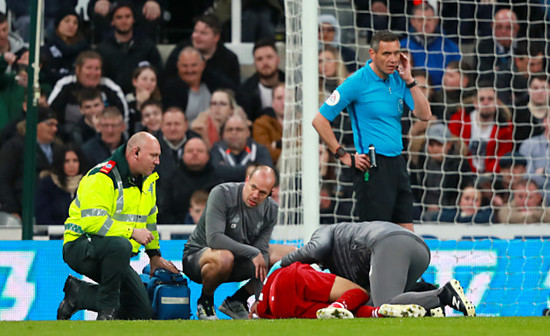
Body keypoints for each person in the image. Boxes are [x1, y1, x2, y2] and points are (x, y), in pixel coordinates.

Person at [312, 30, 432, 231]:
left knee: (406, 236)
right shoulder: (356, 81)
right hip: (372, 167)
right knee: (377, 236)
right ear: (372, 54)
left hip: (398, 164)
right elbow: (319, 120)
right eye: (386, 54)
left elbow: (425, 115)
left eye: (396, 53)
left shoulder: (399, 79)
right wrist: (343, 156)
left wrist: (409, 79)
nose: (393, 59)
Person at [57, 132, 179, 320]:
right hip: (81, 247)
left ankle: (78, 294)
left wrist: (154, 255)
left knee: (141, 312)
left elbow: (150, 219)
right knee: (121, 244)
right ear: (135, 153)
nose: (158, 162)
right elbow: (92, 223)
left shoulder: (148, 179)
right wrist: (131, 232)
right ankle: (108, 312)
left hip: (115, 253)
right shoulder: (102, 177)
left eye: (159, 156)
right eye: (153, 155)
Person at [281, 221, 476, 317]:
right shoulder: (344, 264)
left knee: (384, 303)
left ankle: (444, 295)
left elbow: (315, 248)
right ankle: (429, 302)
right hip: (419, 250)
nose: (319, 265)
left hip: (388, 243)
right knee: (383, 302)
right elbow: (365, 297)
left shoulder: (326, 232)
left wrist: (281, 265)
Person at [182, 166, 282, 320]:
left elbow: (261, 252)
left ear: (270, 193)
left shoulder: (271, 209)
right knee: (224, 257)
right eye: (253, 187)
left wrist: (259, 299)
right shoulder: (222, 193)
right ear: (247, 180)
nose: (255, 195)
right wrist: (252, 252)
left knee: (287, 254)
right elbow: (214, 239)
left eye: (262, 192)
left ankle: (238, 300)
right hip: (198, 257)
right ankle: (205, 302)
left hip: (238, 261)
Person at [250, 261, 426, 319]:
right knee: (360, 293)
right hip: (291, 280)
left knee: (349, 313)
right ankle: (341, 306)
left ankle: (378, 312)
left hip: (278, 309)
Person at [0, 107, 62, 219]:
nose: (55, 129)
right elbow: (3, 179)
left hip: (49, 213)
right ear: (35, 124)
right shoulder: (15, 146)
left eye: (56, 125)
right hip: (22, 212)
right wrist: (11, 209)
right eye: (50, 124)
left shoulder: (58, 149)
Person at [47, 50, 128, 130]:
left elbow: (124, 118)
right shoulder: (65, 85)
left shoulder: (110, 87)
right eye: (89, 68)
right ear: (78, 70)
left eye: (97, 69)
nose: (93, 73)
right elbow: (50, 113)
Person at [409, 122, 473, 221]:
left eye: (439, 144)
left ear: (448, 145)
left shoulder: (460, 164)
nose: (435, 149)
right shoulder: (417, 161)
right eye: (431, 144)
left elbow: (464, 190)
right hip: (422, 209)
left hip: (451, 211)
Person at [95, 2, 162, 94]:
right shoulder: (102, 49)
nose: (124, 21)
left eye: (127, 16)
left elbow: (158, 74)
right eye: (119, 17)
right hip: (111, 98)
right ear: (112, 21)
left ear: (133, 19)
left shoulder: (147, 47)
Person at [448, 83, 513, 174]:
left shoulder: (506, 127)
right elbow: (452, 150)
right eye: (481, 99)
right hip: (462, 172)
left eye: (490, 99)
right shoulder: (458, 120)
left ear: (497, 103)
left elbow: (502, 156)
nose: (486, 103)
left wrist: (488, 174)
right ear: (475, 103)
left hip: (492, 176)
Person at [162, 46, 235, 124]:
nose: (189, 70)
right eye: (185, 66)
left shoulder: (216, 83)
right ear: (178, 66)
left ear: (202, 65)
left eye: (194, 65)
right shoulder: (171, 89)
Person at [158, 137, 222, 224]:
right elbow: (164, 212)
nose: (195, 153)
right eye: (190, 151)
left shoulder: (219, 181)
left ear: (208, 156)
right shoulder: (171, 180)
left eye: (199, 151)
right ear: (183, 156)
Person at [164, 14, 240, 86]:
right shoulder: (181, 50)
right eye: (195, 31)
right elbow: (167, 79)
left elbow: (233, 89)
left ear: (216, 37)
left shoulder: (229, 59)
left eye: (203, 33)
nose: (197, 36)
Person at [399, 2, 461, 87]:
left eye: (429, 19)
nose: (425, 24)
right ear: (412, 21)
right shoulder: (402, 47)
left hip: (443, 96)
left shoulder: (450, 47)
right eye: (420, 20)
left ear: (436, 21)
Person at [210, 113, 273, 182]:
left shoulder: (260, 149)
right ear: (223, 133)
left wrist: (227, 171)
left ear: (248, 132)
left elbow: (266, 173)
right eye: (229, 129)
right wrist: (249, 170)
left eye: (239, 129)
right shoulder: (217, 149)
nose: (234, 133)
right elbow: (217, 171)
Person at [35, 145, 86, 225]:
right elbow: (42, 217)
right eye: (66, 161)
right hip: (54, 235)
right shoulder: (47, 184)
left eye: (75, 160)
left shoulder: (88, 184)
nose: (71, 165)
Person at [237, 38, 285, 122]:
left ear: (277, 60)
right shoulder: (245, 92)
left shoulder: (293, 85)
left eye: (269, 57)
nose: (265, 62)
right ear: (254, 63)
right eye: (259, 59)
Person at [41, 8, 90, 87]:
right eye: (67, 21)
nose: (71, 25)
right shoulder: (46, 49)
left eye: (75, 23)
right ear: (58, 24)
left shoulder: (84, 49)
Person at [474, 9, 520, 84]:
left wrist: (498, 69)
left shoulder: (525, 46)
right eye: (499, 27)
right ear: (492, 26)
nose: (503, 32)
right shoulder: (482, 48)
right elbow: (484, 76)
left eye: (508, 27)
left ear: (517, 28)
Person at [87, 0, 163, 43]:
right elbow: (90, 10)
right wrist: (100, 2)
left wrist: (154, 2)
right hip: (109, 43)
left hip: (142, 42)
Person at [252, 83, 285, 165]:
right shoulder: (261, 124)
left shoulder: (304, 124)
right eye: (279, 98)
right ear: (272, 103)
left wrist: (277, 144)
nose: (284, 102)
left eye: (288, 98)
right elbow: (265, 153)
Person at [125, 65, 162, 135]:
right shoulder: (126, 102)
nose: (149, 83)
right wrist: (139, 104)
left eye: (152, 80)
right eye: (144, 79)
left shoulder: (159, 102)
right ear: (134, 81)